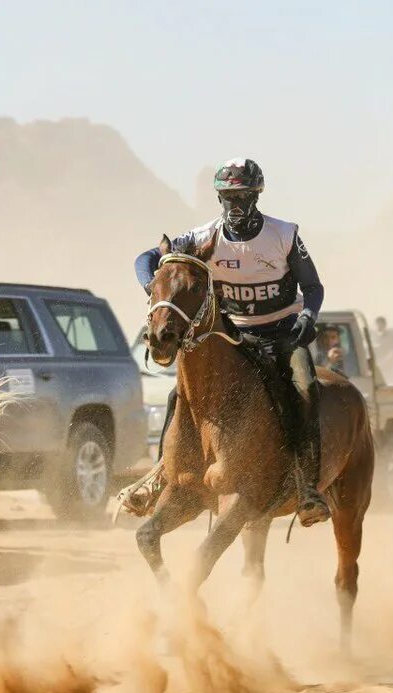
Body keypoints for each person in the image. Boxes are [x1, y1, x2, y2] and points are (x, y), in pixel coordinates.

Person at [120, 158, 331, 526]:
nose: (235, 205)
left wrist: (307, 318)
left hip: (283, 333)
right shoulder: (201, 237)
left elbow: (312, 287)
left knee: (306, 388)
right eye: (228, 197)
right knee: (178, 395)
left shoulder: (284, 235)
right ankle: (158, 478)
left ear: (256, 196)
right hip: (234, 334)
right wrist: (149, 284)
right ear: (220, 198)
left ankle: (308, 486)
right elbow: (147, 258)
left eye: (243, 196)